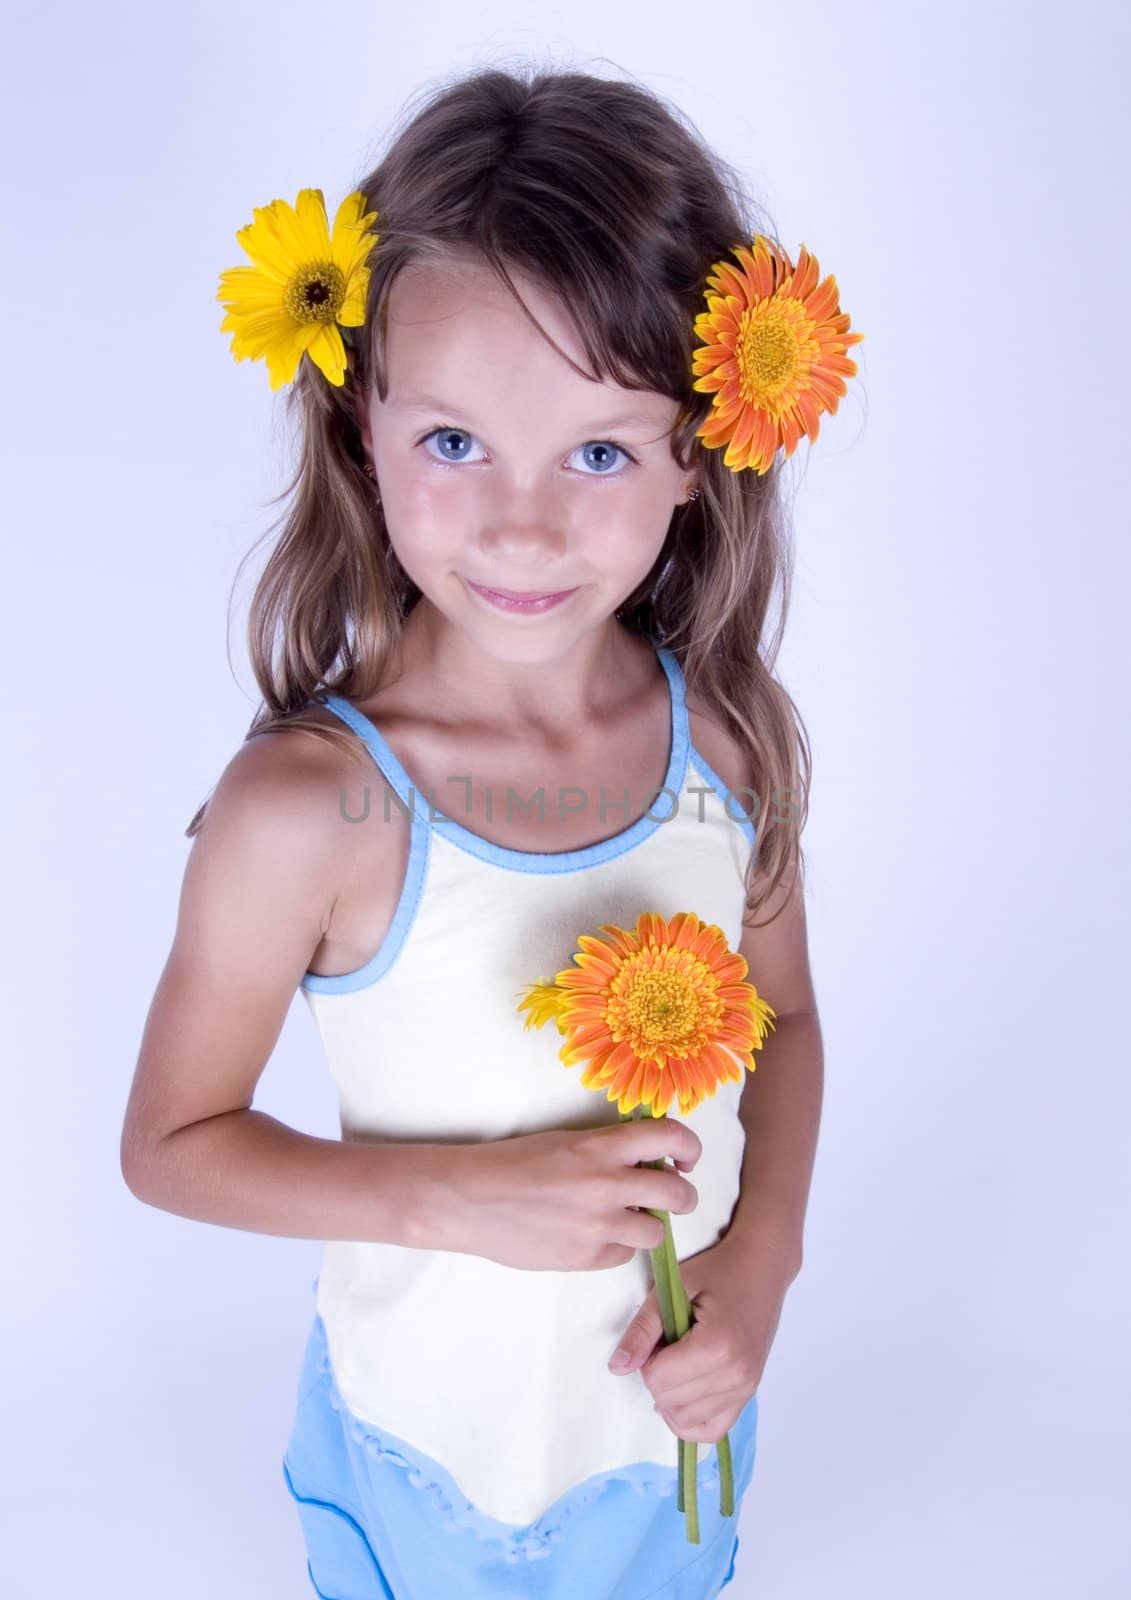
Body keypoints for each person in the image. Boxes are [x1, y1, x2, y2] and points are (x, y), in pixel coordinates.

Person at [120, 62, 861, 1600]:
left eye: (598, 452)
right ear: (361, 429)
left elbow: (782, 1021)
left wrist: (762, 1268)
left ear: (696, 454)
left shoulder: (722, 738)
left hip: (661, 1457)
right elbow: (172, 1148)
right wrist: (459, 1199)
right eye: (456, 443)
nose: (524, 526)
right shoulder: (310, 810)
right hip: (437, 1462)